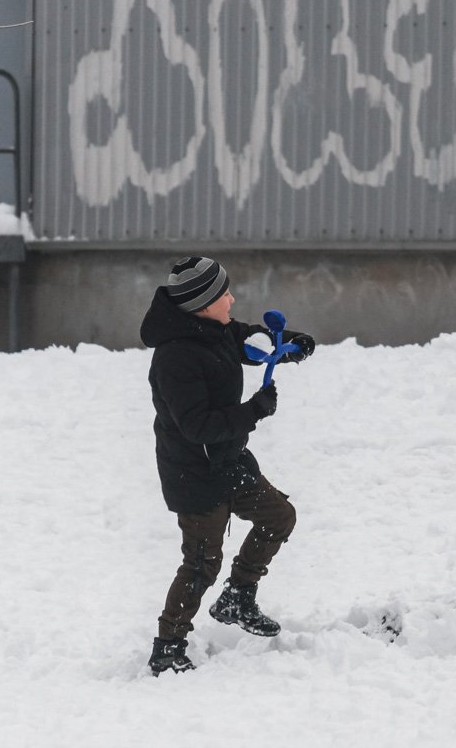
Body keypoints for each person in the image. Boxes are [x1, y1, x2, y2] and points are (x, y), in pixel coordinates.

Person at [139, 256, 315, 676]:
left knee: (279, 516)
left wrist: (288, 344)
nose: (232, 299)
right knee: (201, 563)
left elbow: (250, 341)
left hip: (229, 460)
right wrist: (254, 410)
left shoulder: (213, 329)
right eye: (224, 294)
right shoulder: (176, 358)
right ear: (202, 303)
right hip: (194, 473)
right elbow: (198, 426)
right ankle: (168, 644)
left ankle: (238, 596)